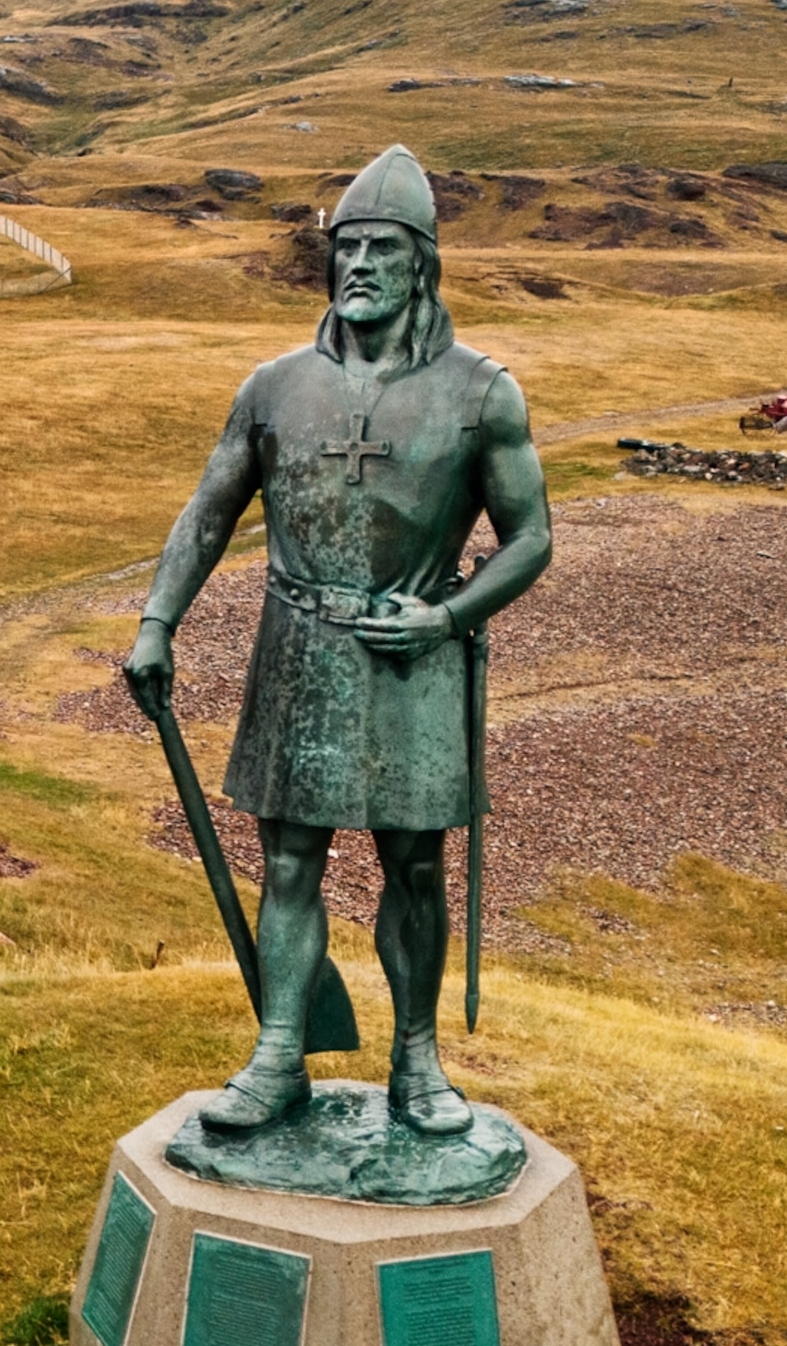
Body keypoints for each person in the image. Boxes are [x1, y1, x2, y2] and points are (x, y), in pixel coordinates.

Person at [124, 145, 555, 1135]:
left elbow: (530, 536)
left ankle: (417, 1062)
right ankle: (279, 1053)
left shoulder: (482, 393)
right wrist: (158, 623)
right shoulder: (274, 387)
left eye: (381, 250)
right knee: (287, 863)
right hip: (300, 649)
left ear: (421, 265)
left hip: (415, 654)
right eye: (346, 249)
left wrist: (448, 616)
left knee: (412, 867)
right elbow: (207, 514)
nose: (358, 266)